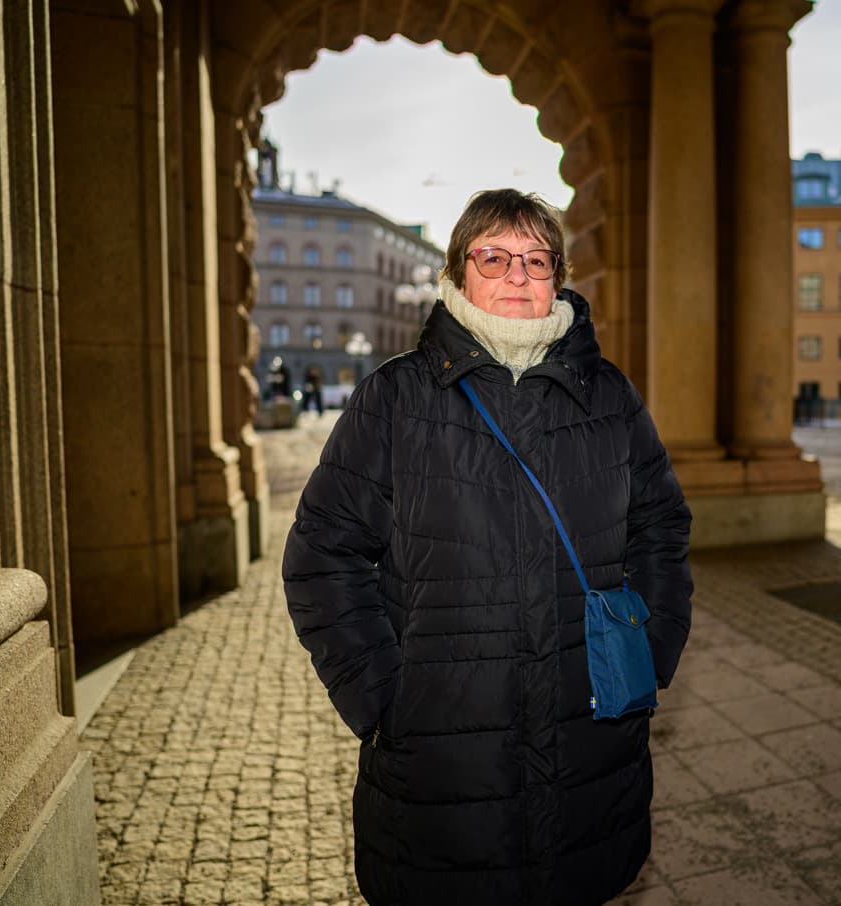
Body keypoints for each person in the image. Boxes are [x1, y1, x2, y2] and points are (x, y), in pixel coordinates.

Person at [282, 189, 693, 905]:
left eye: (537, 261)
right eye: (494, 257)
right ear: (458, 272)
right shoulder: (395, 399)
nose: (517, 276)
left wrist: (649, 650)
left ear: (559, 279)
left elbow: (661, 531)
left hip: (589, 742)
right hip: (440, 759)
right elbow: (324, 553)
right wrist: (381, 696)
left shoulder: (610, 398)